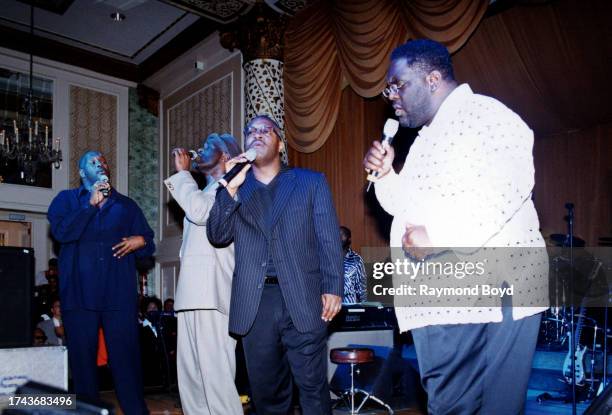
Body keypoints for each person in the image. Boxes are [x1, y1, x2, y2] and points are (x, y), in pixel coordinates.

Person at [363, 39, 548, 414]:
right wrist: (385, 176)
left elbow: (508, 187)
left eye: (398, 85)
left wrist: (439, 235)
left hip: (488, 291)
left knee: (468, 406)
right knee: (455, 404)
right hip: (446, 295)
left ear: (432, 79)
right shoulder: (426, 140)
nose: (391, 97)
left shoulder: (485, 116)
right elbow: (406, 208)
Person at [207, 115, 343, 414]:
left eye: (265, 130)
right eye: (251, 131)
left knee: (312, 388)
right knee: (267, 395)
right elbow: (217, 235)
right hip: (256, 304)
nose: (257, 134)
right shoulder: (235, 187)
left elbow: (328, 238)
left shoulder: (310, 182)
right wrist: (229, 187)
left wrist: (333, 287)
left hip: (305, 298)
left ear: (279, 143)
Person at [47, 150, 154, 415]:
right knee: (83, 367)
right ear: (83, 172)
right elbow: (62, 232)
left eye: (103, 160)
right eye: (93, 161)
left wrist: (142, 241)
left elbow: (148, 241)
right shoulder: (67, 201)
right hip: (78, 299)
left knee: (126, 364)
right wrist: (89, 206)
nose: (101, 163)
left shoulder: (126, 205)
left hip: (118, 298)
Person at [163, 133, 243, 415]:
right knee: (192, 379)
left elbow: (200, 212)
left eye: (209, 145)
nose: (199, 148)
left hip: (213, 294)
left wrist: (183, 174)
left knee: (215, 378)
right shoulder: (206, 191)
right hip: (192, 295)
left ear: (224, 157)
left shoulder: (232, 189)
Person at [340, 226, 367, 303]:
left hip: (349, 306)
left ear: (349, 239)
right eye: (337, 234)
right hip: (330, 307)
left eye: (343, 234)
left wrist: (364, 307)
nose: (339, 236)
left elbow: (362, 287)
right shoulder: (327, 257)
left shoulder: (356, 259)